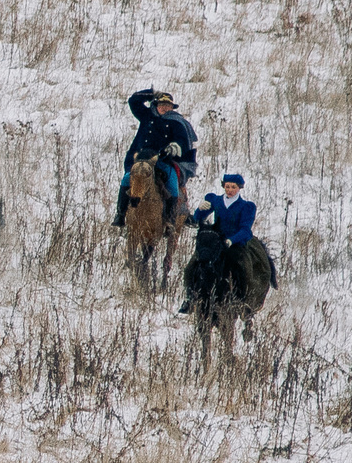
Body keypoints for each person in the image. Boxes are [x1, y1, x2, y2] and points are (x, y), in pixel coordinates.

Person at [179, 174, 264, 316]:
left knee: (244, 268)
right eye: (227, 186)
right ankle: (190, 298)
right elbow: (197, 218)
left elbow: (245, 228)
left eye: (233, 187)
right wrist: (200, 209)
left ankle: (244, 302)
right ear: (224, 186)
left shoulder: (246, 206)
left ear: (239, 188)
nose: (230, 190)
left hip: (235, 243)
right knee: (191, 267)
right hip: (215, 241)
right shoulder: (216, 200)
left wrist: (232, 240)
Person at [113, 89, 196, 228]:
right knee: (127, 178)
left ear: (172, 107)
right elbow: (133, 101)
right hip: (140, 159)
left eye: (168, 105)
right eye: (161, 104)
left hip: (162, 161)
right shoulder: (146, 116)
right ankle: (120, 215)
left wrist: (174, 147)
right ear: (156, 105)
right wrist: (150, 93)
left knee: (172, 184)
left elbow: (182, 140)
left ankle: (169, 220)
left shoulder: (177, 122)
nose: (164, 108)